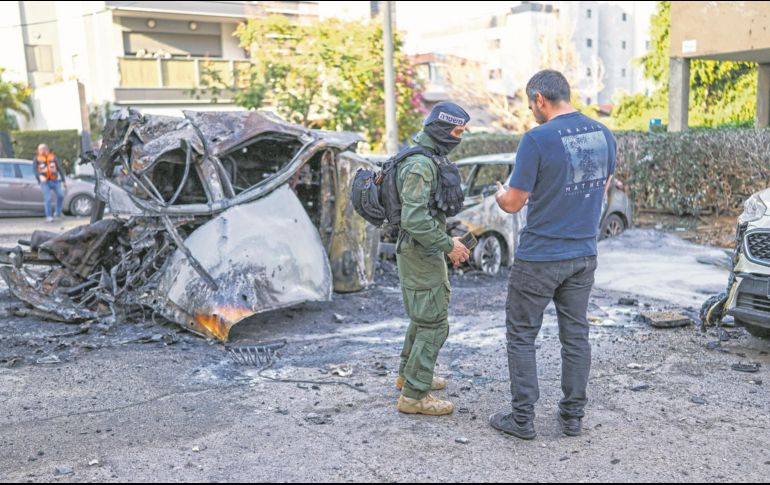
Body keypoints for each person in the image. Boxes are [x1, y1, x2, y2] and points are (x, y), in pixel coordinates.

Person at [490, 70, 616, 439]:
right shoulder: (604, 135)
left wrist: (500, 194)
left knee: (522, 334)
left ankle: (522, 419)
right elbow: (602, 186)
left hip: (541, 255)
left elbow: (514, 203)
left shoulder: (537, 139)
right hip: (583, 253)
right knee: (575, 336)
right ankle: (572, 417)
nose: (531, 110)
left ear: (541, 99)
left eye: (531, 104)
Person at [395, 102, 471, 416]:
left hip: (422, 248)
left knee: (422, 318)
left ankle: (407, 377)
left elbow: (426, 216)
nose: (460, 137)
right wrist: (447, 246)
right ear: (441, 129)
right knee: (435, 323)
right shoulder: (420, 165)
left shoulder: (425, 158)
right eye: (457, 131)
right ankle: (415, 396)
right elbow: (414, 219)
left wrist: (447, 239)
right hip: (420, 251)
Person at [34, 144, 67, 222]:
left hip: (55, 181)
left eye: (43, 149)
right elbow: (34, 170)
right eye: (40, 149)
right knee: (47, 198)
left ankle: (58, 212)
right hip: (45, 182)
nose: (41, 151)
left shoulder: (53, 157)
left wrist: (63, 180)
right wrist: (39, 176)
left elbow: (59, 168)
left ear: (46, 149)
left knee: (61, 195)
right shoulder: (37, 158)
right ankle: (49, 216)